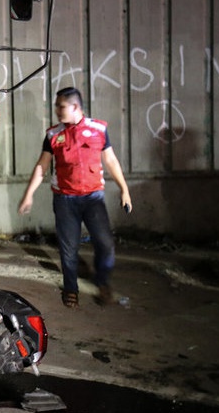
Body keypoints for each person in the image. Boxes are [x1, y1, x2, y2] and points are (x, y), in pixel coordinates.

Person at [17, 87, 131, 308]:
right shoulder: (53, 135)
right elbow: (42, 165)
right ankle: (71, 288)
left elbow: (111, 160)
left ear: (75, 107)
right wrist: (28, 195)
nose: (57, 111)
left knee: (105, 244)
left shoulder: (98, 129)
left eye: (61, 107)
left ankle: (102, 282)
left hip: (93, 198)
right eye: (56, 106)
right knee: (68, 247)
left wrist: (124, 189)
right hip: (65, 199)